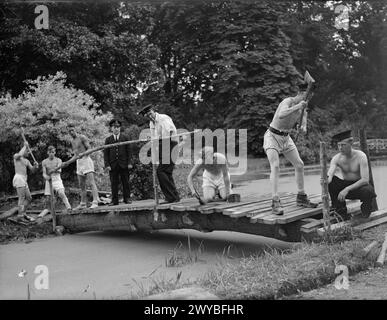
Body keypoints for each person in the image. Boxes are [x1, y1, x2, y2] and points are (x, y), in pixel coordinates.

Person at [263, 82, 317, 215]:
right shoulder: (288, 101)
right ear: (303, 93)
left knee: (299, 164)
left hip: (286, 138)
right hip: (272, 136)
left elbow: (303, 124)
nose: (309, 98)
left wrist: (303, 129)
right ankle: (275, 201)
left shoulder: (304, 108)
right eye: (309, 96)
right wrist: (298, 106)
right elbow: (282, 114)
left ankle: (301, 196)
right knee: (275, 166)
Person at [328, 130, 377, 220]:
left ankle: (366, 210)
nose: (340, 148)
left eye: (343, 145)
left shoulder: (361, 156)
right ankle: (340, 210)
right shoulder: (336, 158)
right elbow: (330, 174)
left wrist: (347, 189)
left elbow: (365, 180)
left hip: (359, 186)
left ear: (351, 143)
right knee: (332, 182)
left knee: (368, 190)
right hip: (345, 185)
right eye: (339, 145)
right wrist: (327, 179)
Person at [138, 104, 180, 203]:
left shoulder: (163, 118)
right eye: (147, 116)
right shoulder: (151, 123)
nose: (150, 116)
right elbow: (154, 138)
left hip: (170, 144)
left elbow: (167, 134)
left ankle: (170, 197)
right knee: (167, 172)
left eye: (150, 114)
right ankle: (175, 197)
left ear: (153, 111)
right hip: (162, 145)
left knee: (161, 171)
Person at [104, 119, 132, 205]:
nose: (116, 129)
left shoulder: (125, 138)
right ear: (111, 128)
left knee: (125, 182)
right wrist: (107, 164)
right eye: (114, 127)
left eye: (118, 127)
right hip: (113, 165)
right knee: (114, 183)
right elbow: (106, 153)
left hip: (123, 164)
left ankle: (127, 198)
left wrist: (129, 163)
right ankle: (114, 200)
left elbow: (129, 151)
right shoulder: (108, 139)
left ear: (120, 128)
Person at [69, 127, 99, 209]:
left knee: (91, 182)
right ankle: (83, 204)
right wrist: (67, 162)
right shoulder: (72, 141)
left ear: (75, 130)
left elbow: (90, 149)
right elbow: (75, 155)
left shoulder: (82, 137)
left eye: (72, 130)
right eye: (69, 131)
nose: (71, 132)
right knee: (81, 185)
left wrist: (83, 154)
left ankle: (95, 201)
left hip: (86, 160)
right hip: (78, 162)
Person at [12, 141, 39, 219]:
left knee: (29, 198)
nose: (29, 152)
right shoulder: (17, 156)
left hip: (24, 179)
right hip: (19, 178)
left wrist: (35, 166)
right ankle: (20, 215)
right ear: (23, 150)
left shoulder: (27, 161)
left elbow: (32, 170)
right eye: (28, 151)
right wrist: (25, 146)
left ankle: (23, 212)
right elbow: (19, 155)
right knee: (21, 198)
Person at [42, 146, 72, 213]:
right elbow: (44, 173)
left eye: (53, 152)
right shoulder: (44, 162)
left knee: (61, 193)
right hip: (49, 179)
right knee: (48, 198)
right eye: (50, 152)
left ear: (55, 152)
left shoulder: (58, 160)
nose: (51, 154)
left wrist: (53, 170)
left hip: (57, 178)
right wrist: (46, 177)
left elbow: (59, 170)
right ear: (48, 153)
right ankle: (50, 211)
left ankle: (68, 207)